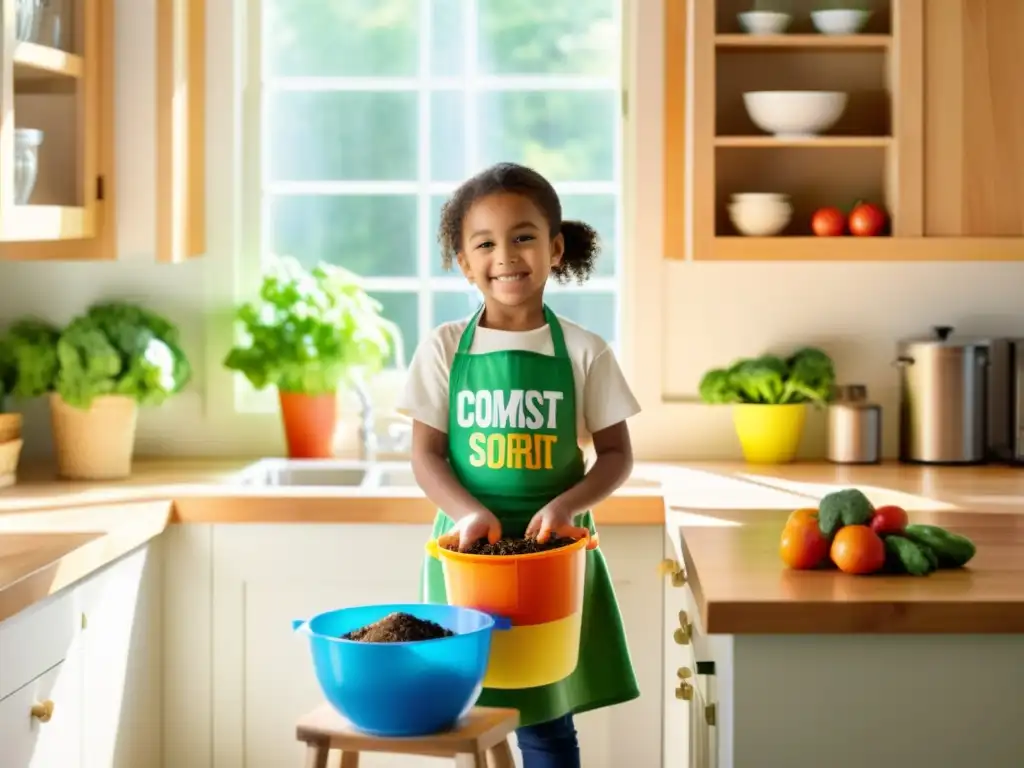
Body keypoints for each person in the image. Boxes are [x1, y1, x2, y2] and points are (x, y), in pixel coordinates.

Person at [396, 161, 641, 767]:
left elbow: (616, 455)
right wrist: (468, 512)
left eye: (524, 236)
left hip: (551, 559)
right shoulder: (445, 348)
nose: (506, 255)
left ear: (555, 248)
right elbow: (425, 455)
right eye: (485, 242)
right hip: (466, 555)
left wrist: (566, 507)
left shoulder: (585, 349)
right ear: (463, 260)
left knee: (546, 723)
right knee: (466, 716)